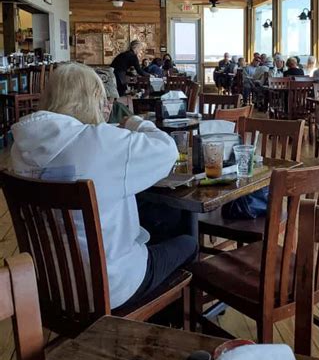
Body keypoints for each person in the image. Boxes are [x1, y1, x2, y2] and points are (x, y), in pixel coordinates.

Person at [10, 63, 197, 310]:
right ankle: (163, 322)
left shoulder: (21, 148)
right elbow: (168, 151)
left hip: (51, 285)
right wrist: (135, 123)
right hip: (111, 287)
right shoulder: (101, 142)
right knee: (188, 242)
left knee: (152, 220)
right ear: (93, 98)